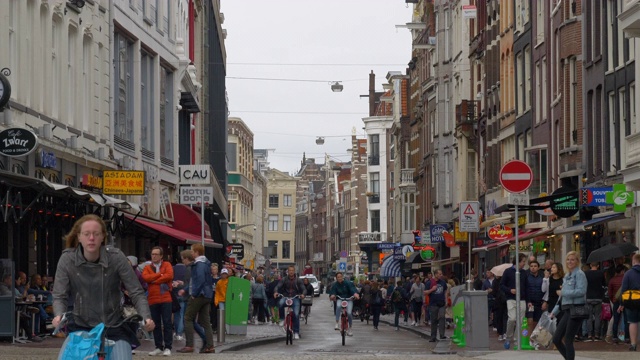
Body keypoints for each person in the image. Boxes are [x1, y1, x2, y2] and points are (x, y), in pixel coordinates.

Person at [51, 214, 154, 359]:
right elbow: (59, 295)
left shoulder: (116, 257)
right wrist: (58, 315)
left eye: (96, 234)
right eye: (86, 234)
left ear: (102, 237)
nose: (91, 238)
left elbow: (136, 292)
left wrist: (146, 317)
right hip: (81, 325)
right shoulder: (67, 259)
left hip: (114, 326)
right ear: (79, 237)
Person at [177, 244, 215, 354]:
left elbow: (200, 280)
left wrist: (194, 293)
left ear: (197, 252)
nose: (191, 253)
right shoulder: (206, 263)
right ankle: (209, 345)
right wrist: (186, 289)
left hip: (199, 295)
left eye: (193, 251)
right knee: (205, 321)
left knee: (188, 318)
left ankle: (189, 345)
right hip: (207, 295)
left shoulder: (199, 264)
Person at [550, 251, 587, 360]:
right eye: (568, 259)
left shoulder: (580, 274)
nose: (570, 262)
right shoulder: (567, 275)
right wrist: (554, 311)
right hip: (566, 309)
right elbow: (561, 298)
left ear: (577, 261)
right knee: (556, 339)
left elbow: (582, 291)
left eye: (572, 259)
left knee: (568, 339)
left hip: (576, 309)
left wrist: (564, 293)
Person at [142, 246, 174, 356]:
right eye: (152, 254)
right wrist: (160, 275)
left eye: (156, 254)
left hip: (166, 298)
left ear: (161, 256)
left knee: (167, 323)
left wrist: (154, 280)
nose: (154, 256)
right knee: (155, 324)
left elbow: (169, 276)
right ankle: (158, 346)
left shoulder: (167, 265)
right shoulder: (147, 267)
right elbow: (146, 278)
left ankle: (168, 347)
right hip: (153, 299)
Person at [501, 253, 528, 349]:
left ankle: (517, 340)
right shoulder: (508, 272)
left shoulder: (524, 273)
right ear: (518, 261)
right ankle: (508, 338)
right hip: (511, 299)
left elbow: (526, 286)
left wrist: (528, 300)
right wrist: (510, 290)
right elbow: (502, 285)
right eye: (523, 261)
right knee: (512, 318)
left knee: (520, 321)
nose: (524, 263)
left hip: (522, 299)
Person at [275, 265, 307, 339]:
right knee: (280, 303)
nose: (291, 272)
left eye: (292, 270)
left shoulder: (298, 280)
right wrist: (276, 292)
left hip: (295, 297)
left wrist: (303, 294)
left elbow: (304, 289)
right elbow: (278, 286)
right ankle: (282, 319)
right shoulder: (284, 279)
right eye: (290, 270)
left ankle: (296, 332)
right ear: (288, 271)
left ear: (294, 271)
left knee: (296, 314)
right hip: (286, 297)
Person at [618, 253, 640, 351]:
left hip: (632, 301)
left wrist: (622, 303)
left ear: (634, 261)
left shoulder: (628, 273)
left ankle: (633, 344)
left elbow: (624, 289)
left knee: (633, 322)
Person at [328, 271, 359, 336]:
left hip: (349, 299)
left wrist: (355, 294)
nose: (339, 278)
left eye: (340, 277)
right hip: (340, 299)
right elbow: (333, 291)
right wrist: (332, 295)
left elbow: (352, 289)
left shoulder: (348, 283)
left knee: (349, 313)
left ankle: (350, 328)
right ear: (336, 278)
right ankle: (337, 323)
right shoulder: (335, 284)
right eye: (338, 277)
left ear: (342, 277)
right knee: (338, 306)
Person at [584, 262, 606, 341]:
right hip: (598, 297)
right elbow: (604, 284)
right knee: (597, 316)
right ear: (598, 266)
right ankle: (597, 334)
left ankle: (589, 334)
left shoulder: (586, 273)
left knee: (589, 317)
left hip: (589, 297)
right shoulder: (601, 273)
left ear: (590, 265)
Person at [607, 264, 627, 344]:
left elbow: (609, 293)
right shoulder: (625, 278)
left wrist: (614, 300)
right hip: (625, 300)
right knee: (626, 320)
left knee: (616, 319)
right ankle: (626, 337)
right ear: (622, 271)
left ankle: (615, 337)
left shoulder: (612, 280)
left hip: (616, 301)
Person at [426, 269, 448, 342]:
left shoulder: (443, 282)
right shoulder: (430, 282)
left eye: (441, 274)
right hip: (433, 303)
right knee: (434, 320)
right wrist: (432, 290)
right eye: (439, 274)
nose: (441, 275)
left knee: (442, 317)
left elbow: (445, 291)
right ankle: (433, 336)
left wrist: (446, 300)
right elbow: (425, 292)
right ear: (435, 274)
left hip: (441, 303)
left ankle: (442, 334)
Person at [526, 260, 545, 334]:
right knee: (529, 320)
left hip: (539, 303)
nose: (533, 268)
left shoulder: (542, 278)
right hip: (530, 303)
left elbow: (544, 290)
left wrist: (544, 301)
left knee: (536, 322)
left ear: (538, 267)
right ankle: (529, 338)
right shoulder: (526, 277)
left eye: (535, 266)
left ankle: (534, 338)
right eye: (531, 266)